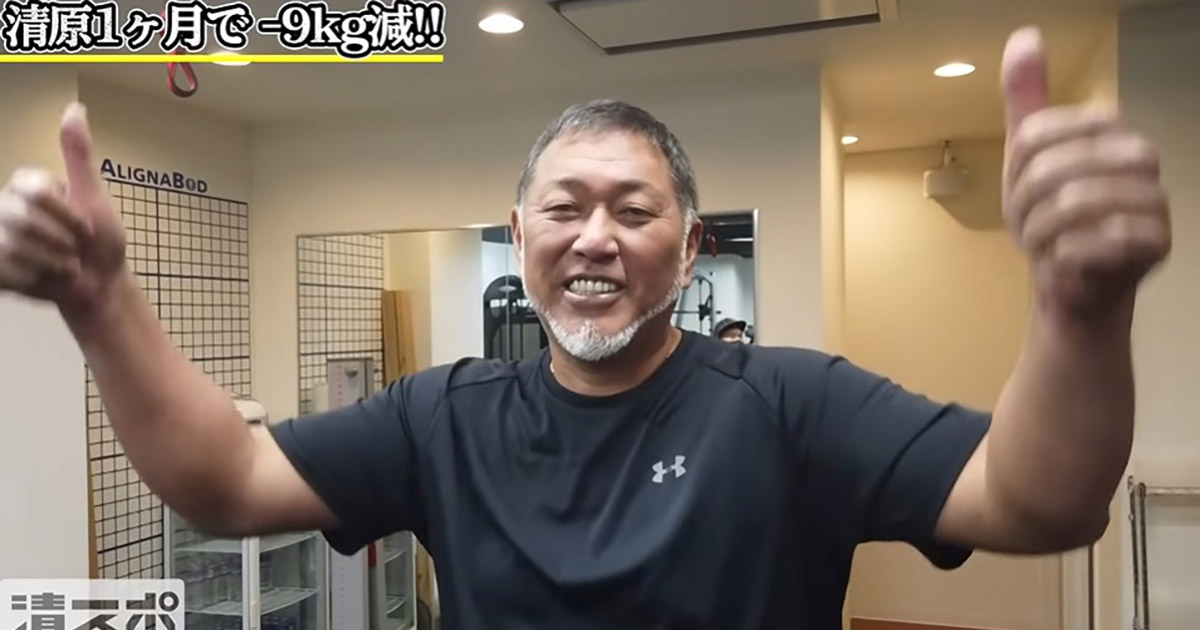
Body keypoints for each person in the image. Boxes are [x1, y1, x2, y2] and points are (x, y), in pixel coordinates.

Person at [0, 27, 1172, 629]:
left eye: (634, 210)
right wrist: (104, 308)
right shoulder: (440, 417)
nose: (595, 237)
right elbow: (222, 482)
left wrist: (1082, 309)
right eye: (563, 209)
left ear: (690, 246)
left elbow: (1041, 502)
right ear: (522, 237)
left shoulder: (790, 404)